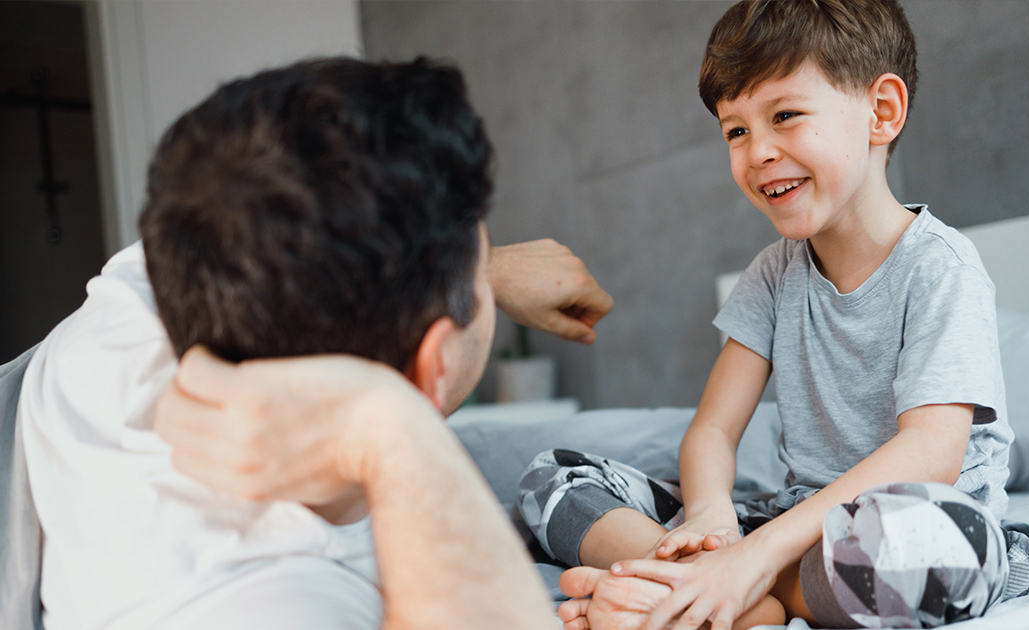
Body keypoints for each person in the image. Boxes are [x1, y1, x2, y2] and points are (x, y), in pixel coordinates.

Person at [514, 1, 1029, 629]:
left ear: (880, 113)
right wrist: (711, 518)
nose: (758, 154)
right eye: (736, 131)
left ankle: (705, 589)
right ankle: (719, 589)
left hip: (896, 527)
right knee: (548, 478)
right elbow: (713, 433)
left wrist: (757, 553)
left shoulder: (943, 267)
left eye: (785, 116)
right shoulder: (773, 276)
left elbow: (931, 454)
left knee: (937, 556)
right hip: (792, 527)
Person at [20, 57, 611, 630]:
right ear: (424, 377)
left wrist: (493, 271)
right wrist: (393, 432)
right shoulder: (278, 603)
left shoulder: (140, 297)